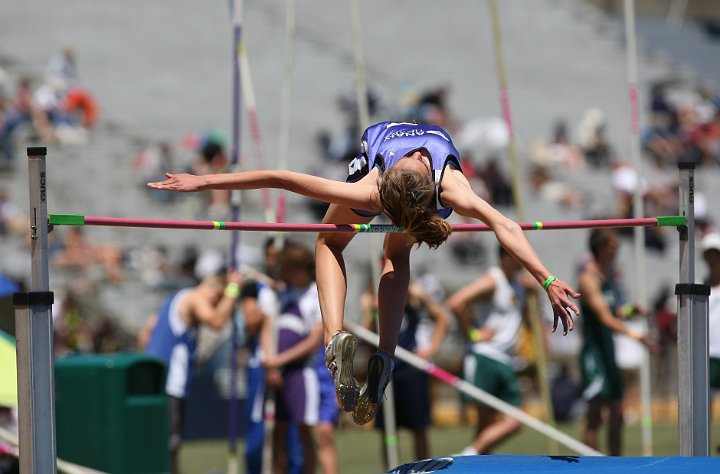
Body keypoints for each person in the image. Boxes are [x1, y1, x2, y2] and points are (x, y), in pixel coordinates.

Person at [147, 120, 580, 426]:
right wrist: (546, 278)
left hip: (394, 196)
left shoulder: (378, 187)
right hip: (410, 200)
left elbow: (282, 178)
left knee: (330, 241)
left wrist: (205, 181)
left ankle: (337, 339)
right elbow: (504, 224)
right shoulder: (451, 188)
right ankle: (384, 357)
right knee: (397, 258)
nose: (410, 156)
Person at [139, 270, 242, 474]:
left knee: (160, 442)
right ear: (215, 292)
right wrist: (233, 288)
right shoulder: (195, 298)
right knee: (171, 443)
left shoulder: (171, 300)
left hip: (155, 376)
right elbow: (217, 322)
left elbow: (145, 334)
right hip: (172, 382)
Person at [576, 228, 658, 456]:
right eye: (614, 246)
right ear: (602, 249)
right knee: (595, 416)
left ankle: (615, 465)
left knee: (617, 414)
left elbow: (614, 311)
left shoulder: (606, 277)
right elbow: (605, 318)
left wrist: (632, 309)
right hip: (594, 355)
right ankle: (592, 467)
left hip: (608, 352)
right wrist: (636, 336)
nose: (618, 251)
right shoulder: (588, 279)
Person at [446, 245, 530, 455]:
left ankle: (475, 465)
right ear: (505, 256)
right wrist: (472, 333)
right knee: (514, 420)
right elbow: (456, 302)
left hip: (504, 359)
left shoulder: (518, 283)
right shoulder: (493, 280)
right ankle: (468, 456)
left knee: (487, 426)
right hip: (486, 357)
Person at [361, 277, 449, 469]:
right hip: (385, 372)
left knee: (419, 427)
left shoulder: (411, 301)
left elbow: (442, 317)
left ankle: (423, 468)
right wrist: (370, 310)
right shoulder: (376, 305)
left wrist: (431, 349)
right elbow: (365, 335)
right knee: (388, 432)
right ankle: (391, 468)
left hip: (410, 371)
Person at [260, 242, 325, 474]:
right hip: (276, 373)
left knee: (306, 431)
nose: (283, 271)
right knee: (277, 434)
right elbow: (267, 328)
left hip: (301, 373)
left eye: (288, 266)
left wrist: (279, 360)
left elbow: (313, 340)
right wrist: (271, 363)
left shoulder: (315, 295)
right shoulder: (278, 294)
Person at [701, 232, 720, 445]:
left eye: (716, 253)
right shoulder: (701, 284)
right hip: (709, 352)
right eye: (709, 253)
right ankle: (703, 443)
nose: (713, 258)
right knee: (705, 404)